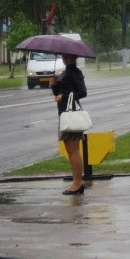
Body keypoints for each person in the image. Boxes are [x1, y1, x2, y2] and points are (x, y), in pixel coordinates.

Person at [51, 53, 88, 195]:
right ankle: (76, 181)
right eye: (63, 57)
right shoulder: (65, 72)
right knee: (69, 149)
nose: (65, 59)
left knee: (74, 150)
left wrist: (64, 96)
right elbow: (58, 95)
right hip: (64, 113)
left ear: (74, 57)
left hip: (71, 114)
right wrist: (54, 86)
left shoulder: (75, 72)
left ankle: (78, 183)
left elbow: (82, 92)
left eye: (67, 57)